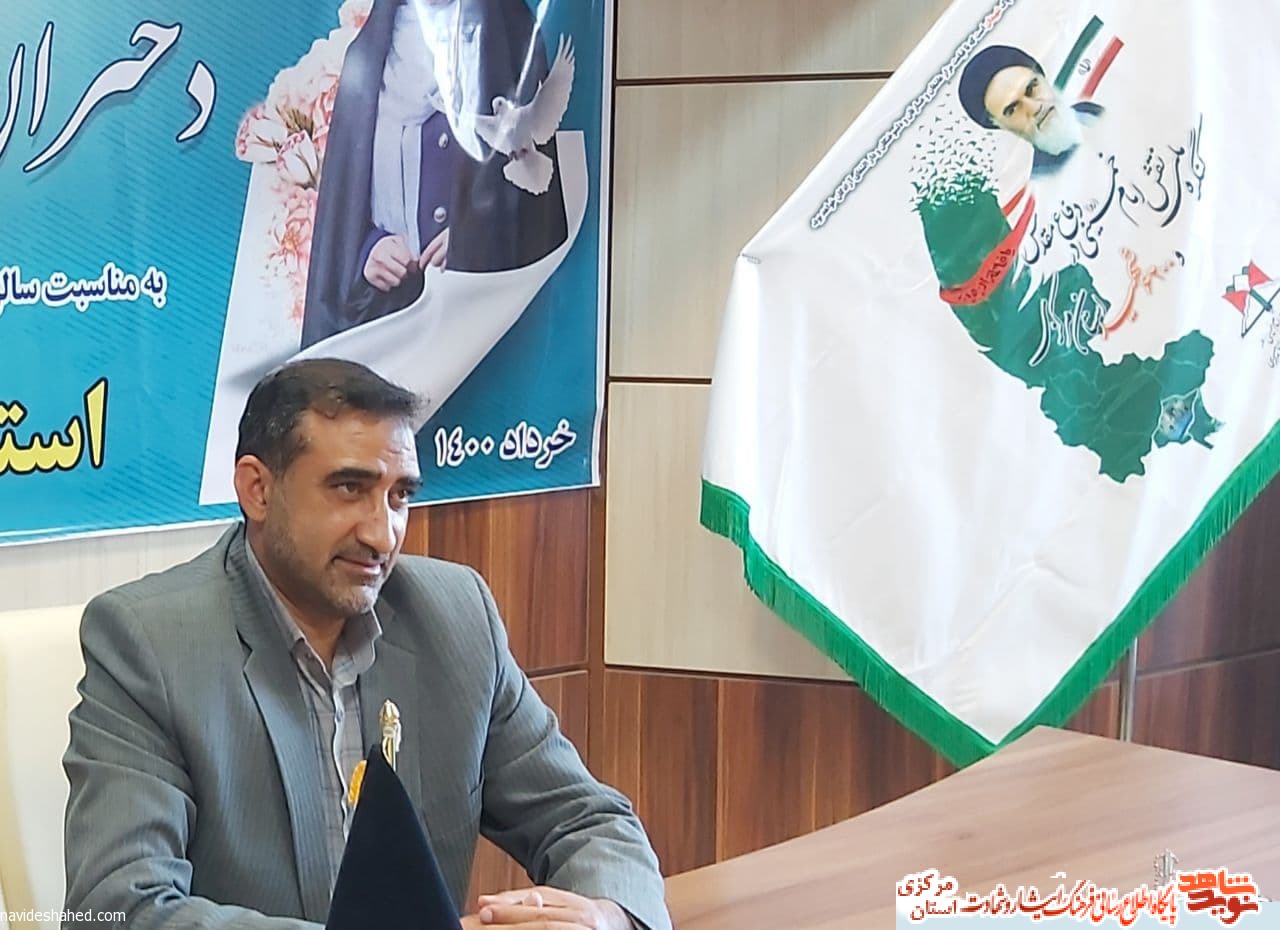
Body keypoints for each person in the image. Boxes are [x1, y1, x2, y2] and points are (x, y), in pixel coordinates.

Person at [63, 358, 669, 930]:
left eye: (399, 495)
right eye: (350, 489)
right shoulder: (149, 644)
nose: (383, 534)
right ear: (257, 490)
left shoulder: (456, 617)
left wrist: (604, 915)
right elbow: (118, 906)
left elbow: (588, 819)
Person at [301, 0, 570, 348]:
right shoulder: (366, 57)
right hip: (384, 323)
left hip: (476, 320)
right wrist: (368, 251)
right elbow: (342, 212)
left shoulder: (509, 36)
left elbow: (535, 205)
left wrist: (472, 241)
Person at [957, 44, 1103, 177]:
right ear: (999, 125)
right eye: (1012, 110)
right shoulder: (1045, 186)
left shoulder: (1092, 110)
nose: (1035, 108)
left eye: (1032, 88)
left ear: (1042, 76)